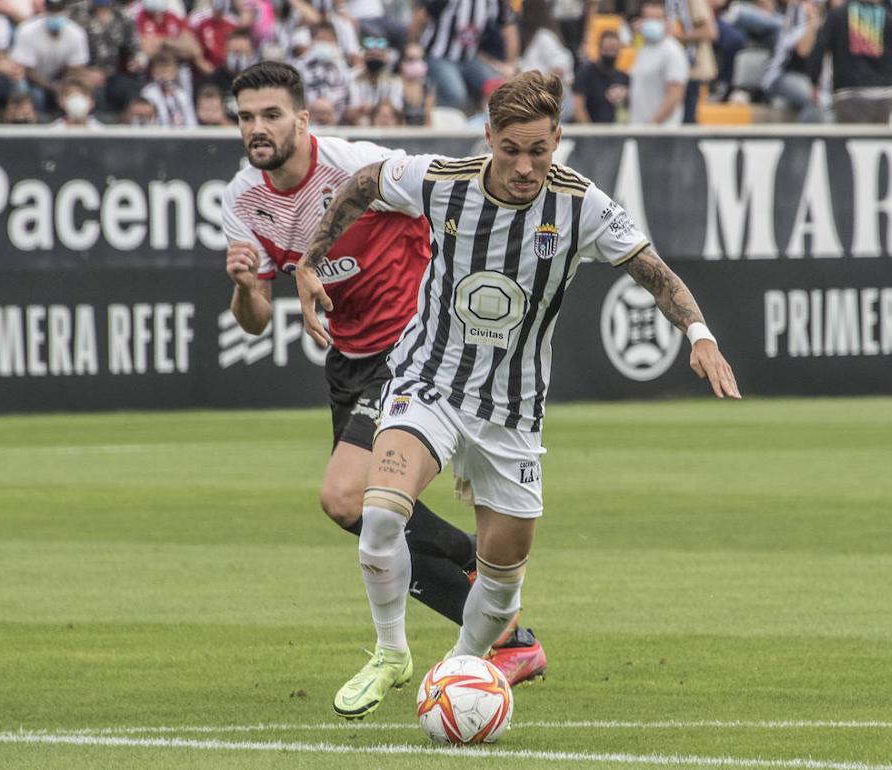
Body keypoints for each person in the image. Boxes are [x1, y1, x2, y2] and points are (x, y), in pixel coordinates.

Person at [293, 71, 740, 719]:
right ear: (489, 138)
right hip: (429, 382)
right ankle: (392, 652)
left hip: (512, 412)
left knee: (502, 583)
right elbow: (363, 184)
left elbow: (654, 272)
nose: (526, 166)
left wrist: (698, 335)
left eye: (540, 149)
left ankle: (458, 670)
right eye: (511, 149)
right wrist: (310, 260)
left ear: (558, 139)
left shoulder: (582, 205)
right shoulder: (442, 181)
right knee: (382, 511)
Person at [222, 62, 548, 701]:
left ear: (302, 119)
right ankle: (507, 632)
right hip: (346, 362)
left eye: (271, 115)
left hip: (412, 349)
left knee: (347, 498)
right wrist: (243, 287)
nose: (257, 129)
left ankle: (451, 603)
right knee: (366, 516)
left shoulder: (355, 166)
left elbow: (454, 191)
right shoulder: (242, 200)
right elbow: (256, 321)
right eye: (245, 117)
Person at [805, 0, 892, 123]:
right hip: (886, 94)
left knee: (851, 138)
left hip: (849, 93)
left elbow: (820, 48)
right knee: (879, 139)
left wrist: (814, 82)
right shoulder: (889, 17)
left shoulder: (837, 15)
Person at [629, 0, 689, 125]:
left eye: (657, 18)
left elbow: (675, 95)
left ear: (667, 21)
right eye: (648, 18)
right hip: (639, 127)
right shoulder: (644, 50)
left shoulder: (672, 52)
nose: (652, 22)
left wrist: (654, 122)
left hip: (661, 130)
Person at [571, 29, 629, 123]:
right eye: (607, 49)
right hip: (592, 129)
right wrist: (589, 133)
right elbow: (578, 105)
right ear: (600, 49)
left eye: (613, 49)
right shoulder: (585, 73)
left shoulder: (623, 77)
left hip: (617, 131)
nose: (610, 53)